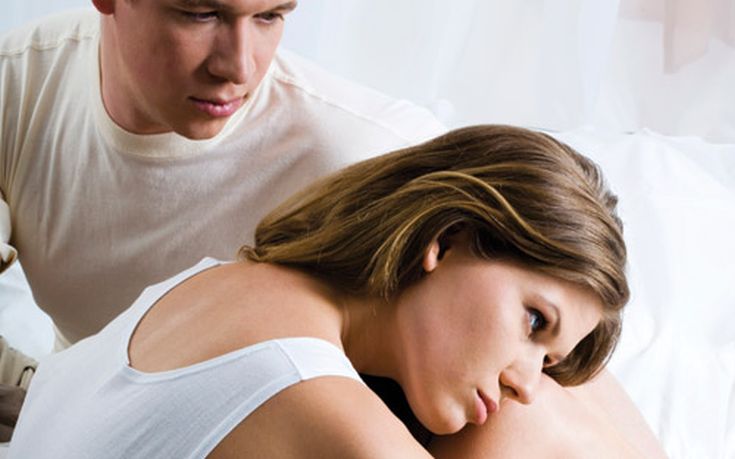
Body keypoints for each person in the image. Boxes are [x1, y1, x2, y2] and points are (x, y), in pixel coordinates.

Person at [10, 125, 657, 457]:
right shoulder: (320, 404)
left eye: (546, 355)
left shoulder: (221, 280)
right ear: (446, 239)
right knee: (532, 418)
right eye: (534, 321)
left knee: (562, 393)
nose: (525, 378)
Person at [0, 0, 444, 439]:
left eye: (270, 15)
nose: (238, 68)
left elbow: (483, 381)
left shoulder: (364, 152)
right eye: (201, 14)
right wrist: (49, 404)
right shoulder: (19, 82)